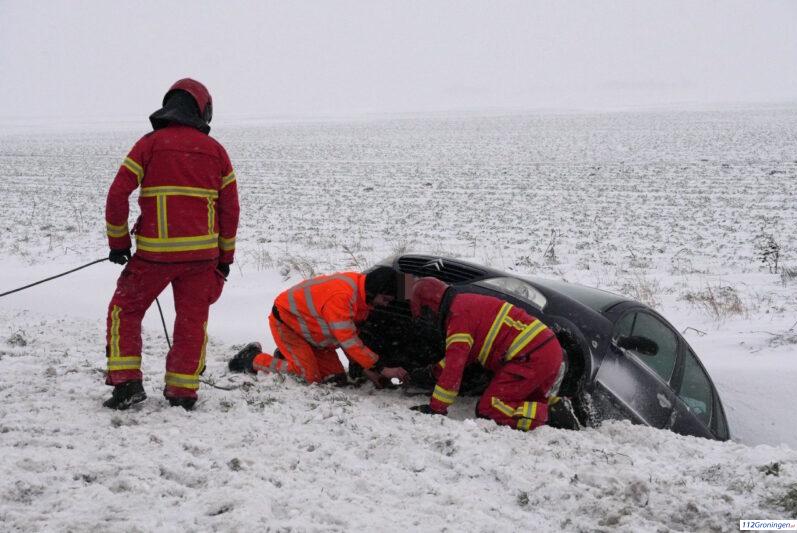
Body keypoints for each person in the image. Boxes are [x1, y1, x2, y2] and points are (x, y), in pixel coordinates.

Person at [103, 78, 239, 410]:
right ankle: (182, 392)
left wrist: (119, 242)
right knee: (192, 322)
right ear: (203, 110)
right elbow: (230, 211)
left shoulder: (149, 145)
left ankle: (127, 383)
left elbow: (118, 194)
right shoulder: (217, 152)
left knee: (125, 310)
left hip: (154, 256)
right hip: (201, 259)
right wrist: (225, 259)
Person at [407, 277, 565, 431]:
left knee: (489, 408)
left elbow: (454, 368)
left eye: (425, 315)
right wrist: (430, 374)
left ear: (430, 307)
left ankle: (551, 415)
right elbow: (459, 358)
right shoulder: (464, 304)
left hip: (532, 356)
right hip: (547, 350)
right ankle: (558, 407)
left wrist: (436, 408)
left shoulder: (458, 318)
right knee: (524, 401)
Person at [229, 267, 408, 387]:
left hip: (315, 337)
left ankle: (288, 356)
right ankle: (251, 358)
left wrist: (365, 369)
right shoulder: (342, 297)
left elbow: (351, 337)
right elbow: (348, 340)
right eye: (385, 299)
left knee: (335, 379)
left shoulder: (363, 296)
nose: (385, 304)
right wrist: (381, 368)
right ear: (373, 291)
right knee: (308, 377)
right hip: (287, 326)